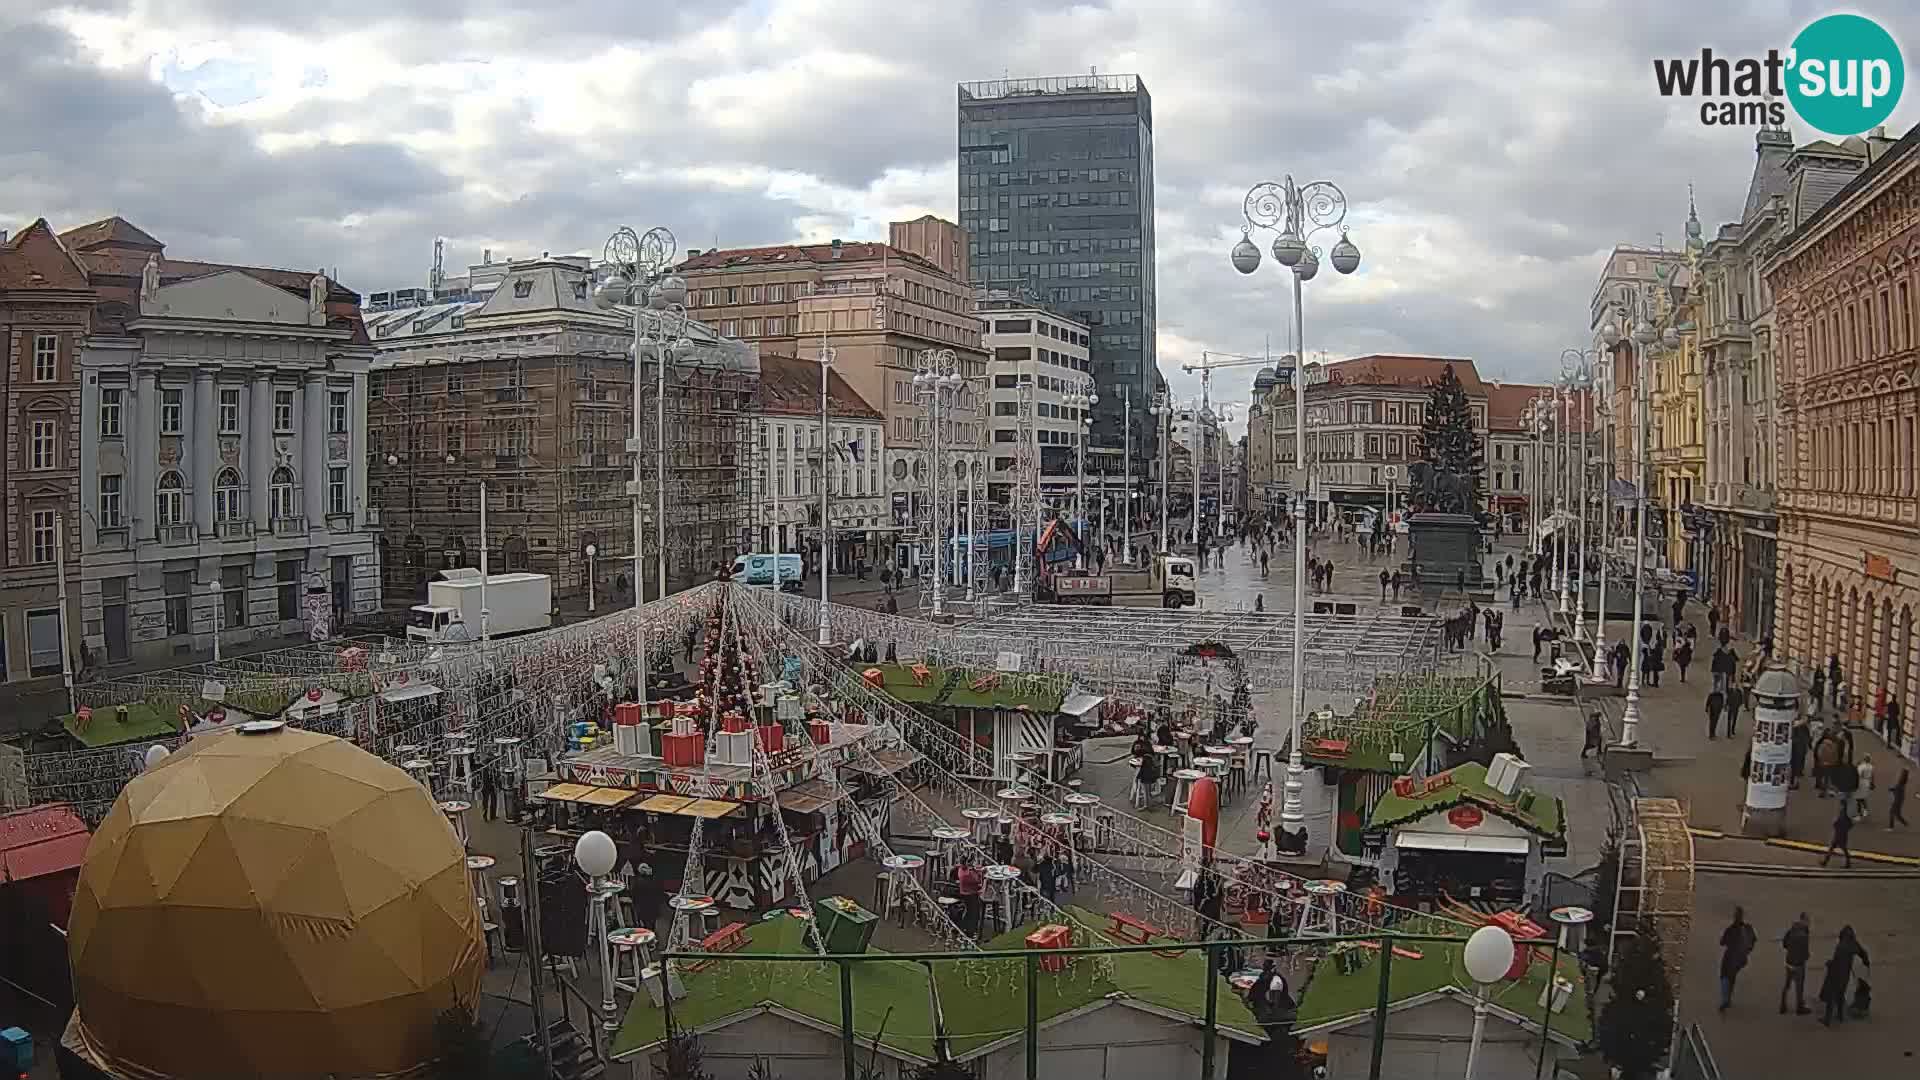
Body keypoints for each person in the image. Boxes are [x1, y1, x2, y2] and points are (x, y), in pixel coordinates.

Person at [1819, 926, 1869, 1026]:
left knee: (1831, 996)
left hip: (1835, 974)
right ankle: (1840, 1016)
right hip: (1845, 975)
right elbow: (1863, 953)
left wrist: (1829, 963)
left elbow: (1836, 962)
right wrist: (1866, 962)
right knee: (1841, 994)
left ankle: (1827, 1020)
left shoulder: (1840, 947)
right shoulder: (1854, 944)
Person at [1718, 907, 1757, 1011]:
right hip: (1741, 958)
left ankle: (1725, 999)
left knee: (1724, 976)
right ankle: (1728, 998)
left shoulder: (1731, 929)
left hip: (1730, 956)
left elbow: (1722, 942)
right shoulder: (1747, 928)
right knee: (1732, 977)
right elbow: (1753, 940)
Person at [1780, 912, 1811, 1015]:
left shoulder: (1791, 930)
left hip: (1789, 962)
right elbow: (1805, 953)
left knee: (1787, 984)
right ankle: (1799, 1007)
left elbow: (1784, 943)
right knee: (1799, 987)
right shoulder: (1804, 934)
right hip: (1799, 964)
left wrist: (1790, 951)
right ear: (1804, 921)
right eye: (1807, 920)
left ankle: (1783, 1005)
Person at [627, 864, 665, 937]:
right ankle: (650, 938)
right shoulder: (653, 881)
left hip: (643, 907)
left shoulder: (638, 881)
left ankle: (648, 937)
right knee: (651, 924)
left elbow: (634, 895)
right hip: (651, 907)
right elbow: (660, 892)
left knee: (646, 924)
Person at [956, 860, 985, 937]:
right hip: (970, 894)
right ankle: (970, 931)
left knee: (970, 912)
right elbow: (977, 880)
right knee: (973, 913)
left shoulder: (962, 870)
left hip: (968, 893)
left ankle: (968, 929)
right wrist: (980, 873)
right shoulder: (966, 874)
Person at [1820, 801, 1854, 868]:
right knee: (1833, 848)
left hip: (1840, 834)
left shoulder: (1845, 813)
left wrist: (1838, 825)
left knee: (1842, 848)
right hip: (1840, 833)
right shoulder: (1845, 813)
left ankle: (1847, 863)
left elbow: (1845, 823)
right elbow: (1850, 824)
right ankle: (1825, 862)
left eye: (1841, 804)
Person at [1790, 720, 1811, 790]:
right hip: (1800, 751)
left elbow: (1793, 740)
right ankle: (1795, 781)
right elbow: (1808, 738)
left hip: (1796, 752)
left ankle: (1794, 783)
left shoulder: (1796, 733)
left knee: (1794, 768)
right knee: (1798, 767)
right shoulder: (1804, 731)